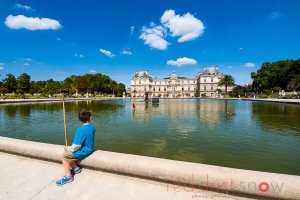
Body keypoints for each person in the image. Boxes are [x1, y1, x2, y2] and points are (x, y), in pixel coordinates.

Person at [56, 109, 96, 186]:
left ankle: (69, 177)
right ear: (90, 118)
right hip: (89, 148)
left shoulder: (80, 130)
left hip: (84, 151)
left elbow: (76, 146)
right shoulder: (92, 127)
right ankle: (76, 168)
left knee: (64, 156)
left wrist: (68, 148)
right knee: (68, 154)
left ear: (79, 119)